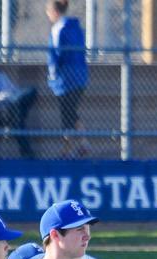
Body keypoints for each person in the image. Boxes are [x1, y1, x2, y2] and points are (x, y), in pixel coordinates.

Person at [46, 0, 89, 154]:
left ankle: (69, 149)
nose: (48, 14)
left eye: (49, 11)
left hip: (65, 79)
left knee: (67, 114)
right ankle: (80, 145)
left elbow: (55, 55)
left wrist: (52, 76)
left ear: (55, 12)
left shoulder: (58, 29)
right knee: (71, 112)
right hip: (80, 76)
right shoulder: (76, 28)